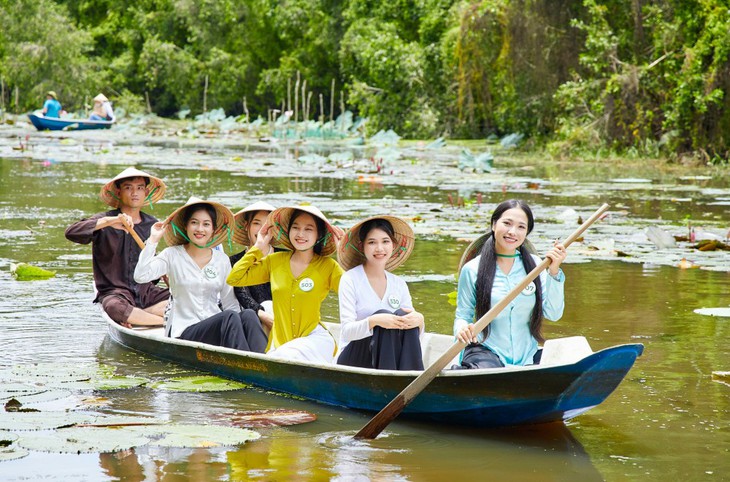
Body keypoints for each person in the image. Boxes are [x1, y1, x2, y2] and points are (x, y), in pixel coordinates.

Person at [134, 197, 267, 352]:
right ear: (186, 226)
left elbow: (230, 302)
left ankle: (264, 360)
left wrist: (242, 327)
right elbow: (141, 275)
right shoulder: (172, 255)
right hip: (184, 331)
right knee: (229, 316)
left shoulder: (222, 260)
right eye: (194, 223)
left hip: (214, 326)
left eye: (206, 224)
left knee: (249, 315)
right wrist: (153, 240)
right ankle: (247, 364)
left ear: (213, 230)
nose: (200, 229)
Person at [452, 199, 567, 369]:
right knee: (488, 371)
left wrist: (554, 272)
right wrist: (462, 329)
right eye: (507, 223)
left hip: (528, 354)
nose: (513, 232)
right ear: (493, 225)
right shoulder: (472, 269)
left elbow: (553, 313)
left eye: (521, 227)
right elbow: (463, 315)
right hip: (486, 351)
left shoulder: (536, 266)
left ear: (527, 232)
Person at [227, 205, 344, 363]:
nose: (300, 234)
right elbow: (234, 278)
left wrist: (343, 257)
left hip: (315, 341)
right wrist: (258, 247)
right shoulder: (275, 261)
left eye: (308, 229)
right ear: (288, 231)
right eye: (295, 227)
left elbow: (352, 293)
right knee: (280, 353)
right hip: (281, 345)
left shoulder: (328, 266)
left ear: (318, 235)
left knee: (282, 357)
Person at [65, 167, 169, 327]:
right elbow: (71, 233)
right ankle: (163, 322)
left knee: (184, 298)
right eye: (128, 188)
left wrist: (163, 272)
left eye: (140, 188)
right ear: (119, 192)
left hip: (145, 292)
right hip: (115, 292)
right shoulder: (105, 219)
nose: (135, 193)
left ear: (146, 192)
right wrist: (110, 222)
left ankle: (138, 316)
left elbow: (150, 274)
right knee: (115, 308)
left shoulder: (152, 224)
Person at [336, 216, 424, 370]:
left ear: (393, 245)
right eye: (372, 242)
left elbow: (412, 335)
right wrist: (374, 321)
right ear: (361, 245)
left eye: (385, 241)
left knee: (404, 314)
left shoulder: (399, 284)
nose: (379, 248)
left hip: (391, 357)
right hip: (355, 358)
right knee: (383, 314)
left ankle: (412, 377)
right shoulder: (350, 279)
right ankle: (388, 381)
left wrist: (420, 321)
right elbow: (347, 332)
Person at [229, 201, 279, 335]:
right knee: (266, 307)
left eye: (266, 225)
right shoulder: (234, 261)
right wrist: (264, 315)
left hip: (284, 316)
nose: (261, 230)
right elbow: (243, 295)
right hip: (255, 320)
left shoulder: (285, 256)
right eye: (257, 223)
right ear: (247, 226)